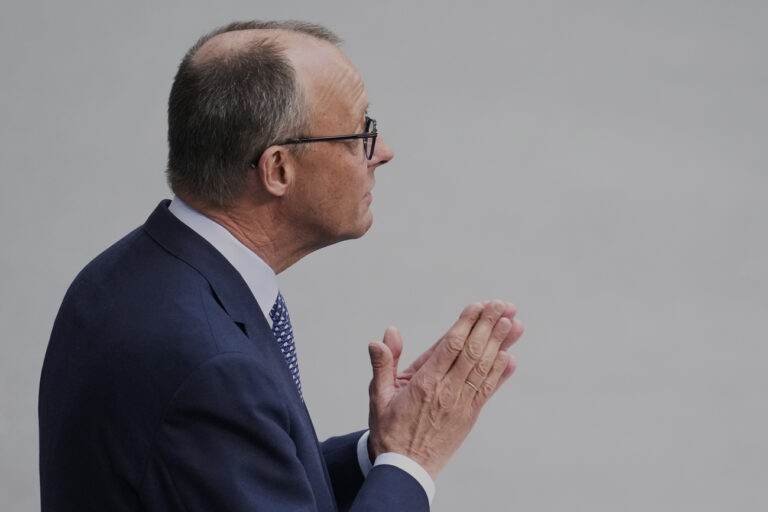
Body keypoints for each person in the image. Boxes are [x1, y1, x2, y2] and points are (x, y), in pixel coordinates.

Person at [38, 20, 524, 511]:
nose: (384, 153)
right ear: (278, 170)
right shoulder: (213, 368)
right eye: (361, 133)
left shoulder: (122, 274)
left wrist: (376, 451)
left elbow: (242, 482)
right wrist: (410, 458)